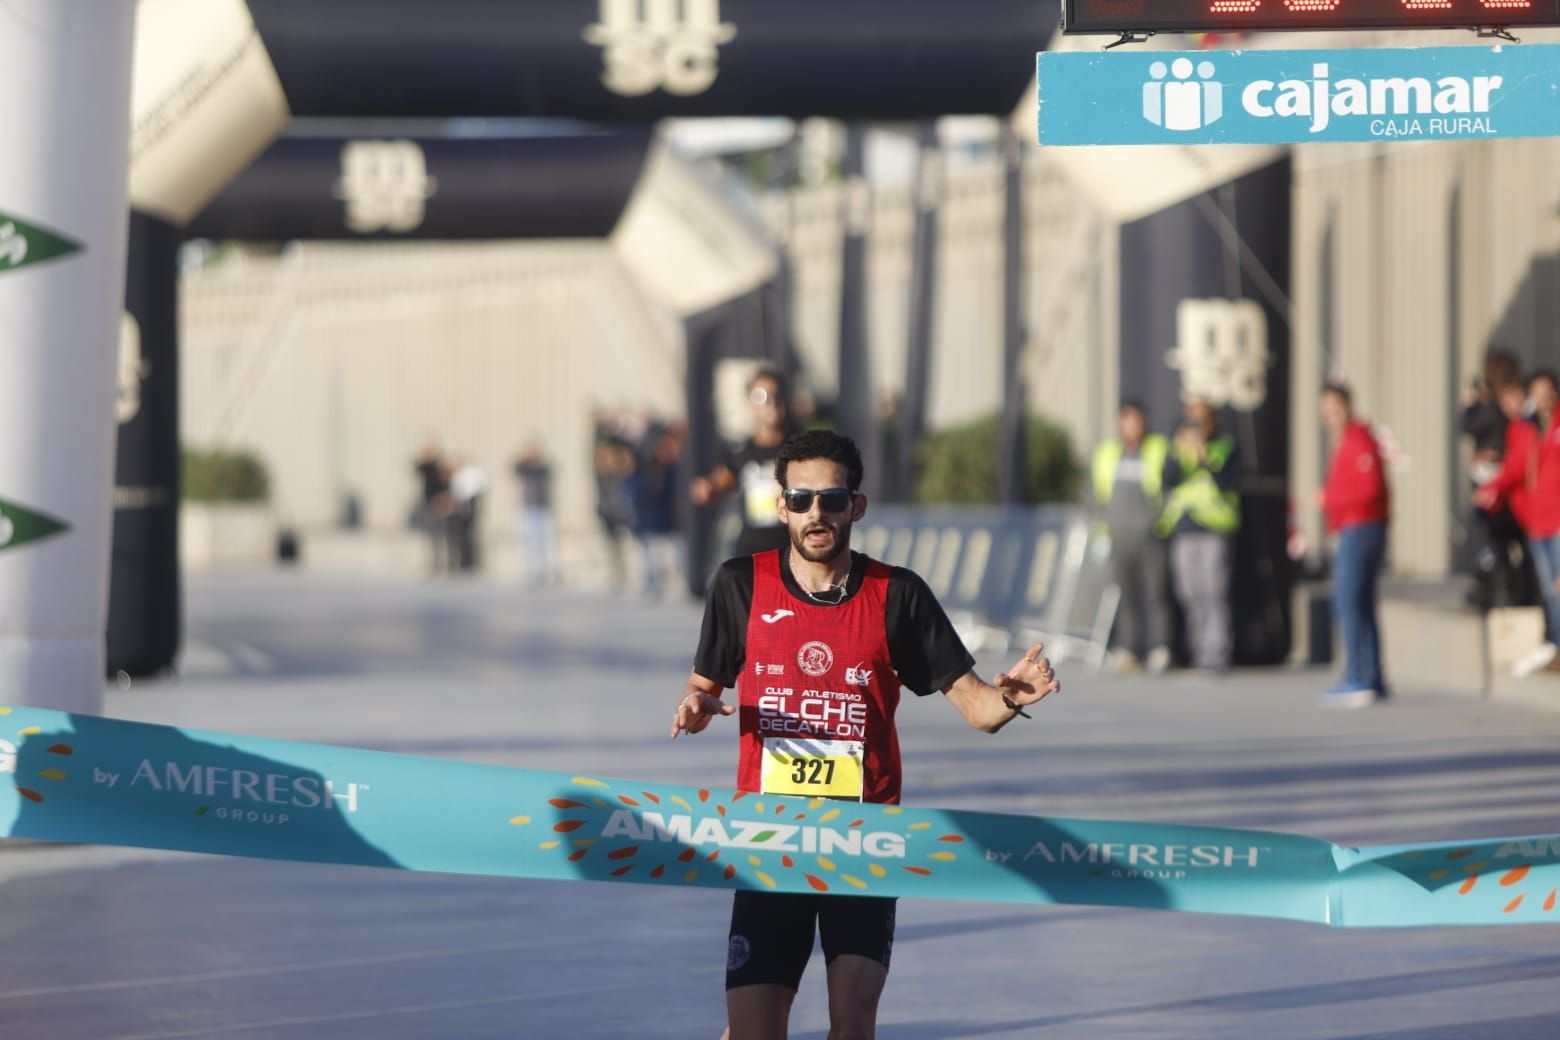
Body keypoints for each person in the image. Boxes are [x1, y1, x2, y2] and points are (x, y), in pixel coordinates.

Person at [669, 429, 1061, 1040]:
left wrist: (1014, 695)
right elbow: (704, 685)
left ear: (857, 505)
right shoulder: (740, 584)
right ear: (780, 507)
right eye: (800, 500)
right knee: (752, 1032)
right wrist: (697, 702)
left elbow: (979, 708)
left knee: (853, 1026)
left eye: (831, 498)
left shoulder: (897, 595)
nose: (815, 514)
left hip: (864, 842)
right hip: (769, 838)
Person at [1479, 370, 1560, 678]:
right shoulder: (1526, 430)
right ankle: (1555, 646)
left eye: (1548, 391)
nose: (1543, 398)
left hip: (1557, 520)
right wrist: (1491, 489)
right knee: (1550, 590)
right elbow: (1515, 468)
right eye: (1537, 392)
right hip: (1537, 522)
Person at [1316, 382, 1391, 708]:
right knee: (1361, 601)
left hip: (1362, 526)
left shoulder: (1359, 439)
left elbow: (1370, 488)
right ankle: (1371, 676)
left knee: (1348, 601)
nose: (1330, 415)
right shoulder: (1346, 441)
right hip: (1352, 526)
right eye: (1325, 410)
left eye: (1335, 407)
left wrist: (1329, 498)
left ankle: (1359, 675)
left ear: (1347, 406)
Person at [1091, 400, 1173, 674]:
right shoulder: (1108, 452)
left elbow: (1170, 487)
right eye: (1126, 420)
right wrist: (1105, 519)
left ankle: (1160, 647)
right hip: (1119, 535)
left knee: (1157, 593)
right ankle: (1130, 648)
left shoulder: (1157, 449)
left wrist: (1156, 521)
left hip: (1149, 536)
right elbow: (1093, 492)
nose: (1131, 426)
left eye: (1136, 420)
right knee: (1127, 596)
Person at [1159, 398, 1240, 674]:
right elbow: (1167, 480)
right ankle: (1199, 651)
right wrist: (1181, 453)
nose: (1195, 426)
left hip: (1213, 529)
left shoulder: (1224, 447)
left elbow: (1226, 482)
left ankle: (1217, 653)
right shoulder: (1177, 447)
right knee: (1189, 593)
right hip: (1184, 529)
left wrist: (1203, 455)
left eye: (1200, 420)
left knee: (1213, 592)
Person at [691, 367, 795, 558]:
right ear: (750, 403)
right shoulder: (741, 451)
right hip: (752, 551)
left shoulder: (801, 447)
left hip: (793, 550)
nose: (770, 403)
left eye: (776, 395)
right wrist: (709, 488)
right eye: (761, 396)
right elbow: (723, 479)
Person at [1462, 350, 1524, 609]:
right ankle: (1498, 595)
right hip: (1496, 487)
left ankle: (1500, 595)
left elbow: (1468, 425)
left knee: (1502, 546)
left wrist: (1472, 404)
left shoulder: (1493, 410)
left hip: (1499, 488)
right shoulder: (1499, 412)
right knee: (1500, 547)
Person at [631, 422, 686, 599]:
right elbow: (642, 492)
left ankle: (683, 583)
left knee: (678, 555)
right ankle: (652, 585)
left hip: (673, 519)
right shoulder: (650, 469)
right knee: (652, 556)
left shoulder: (676, 467)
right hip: (653, 518)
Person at [513, 440, 561, 587]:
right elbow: (516, 469)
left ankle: (554, 569)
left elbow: (551, 470)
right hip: (529, 506)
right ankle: (536, 570)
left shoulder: (543, 467)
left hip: (544, 506)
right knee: (532, 540)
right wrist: (524, 458)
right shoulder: (525, 467)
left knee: (549, 540)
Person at [413, 439, 450, 575]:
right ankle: (432, 563)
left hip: (438, 503)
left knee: (438, 534)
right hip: (427, 502)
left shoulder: (439, 466)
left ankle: (439, 563)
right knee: (429, 534)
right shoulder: (426, 467)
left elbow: (444, 484)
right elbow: (418, 469)